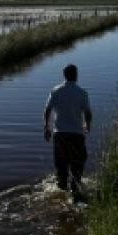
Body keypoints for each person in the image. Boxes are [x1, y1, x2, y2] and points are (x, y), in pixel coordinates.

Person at [43, 63, 92, 200]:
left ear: (64, 75)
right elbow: (88, 112)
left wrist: (46, 128)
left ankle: (61, 192)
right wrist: (87, 125)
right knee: (77, 163)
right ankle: (75, 192)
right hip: (76, 134)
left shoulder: (55, 91)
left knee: (61, 165)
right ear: (76, 75)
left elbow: (47, 110)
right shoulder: (82, 92)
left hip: (59, 135)